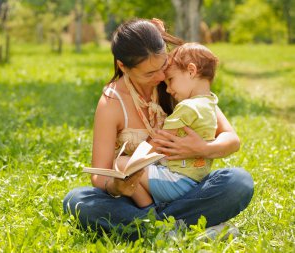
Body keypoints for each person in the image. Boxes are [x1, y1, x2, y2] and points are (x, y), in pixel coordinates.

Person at [63, 18, 254, 240]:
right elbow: (98, 175)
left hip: (185, 189)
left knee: (239, 182)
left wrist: (202, 148)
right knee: (77, 200)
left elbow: (232, 139)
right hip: (136, 197)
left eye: (163, 66)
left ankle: (153, 229)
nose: (161, 77)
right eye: (149, 74)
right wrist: (117, 187)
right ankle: (181, 228)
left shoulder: (177, 81)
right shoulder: (112, 102)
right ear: (123, 66)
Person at [117, 42, 221, 208]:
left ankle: (150, 211)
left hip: (177, 181)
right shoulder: (210, 103)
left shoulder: (188, 107)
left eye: (170, 80)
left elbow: (160, 141)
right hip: (196, 179)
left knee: (122, 164)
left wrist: (133, 162)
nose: (168, 89)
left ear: (191, 71)